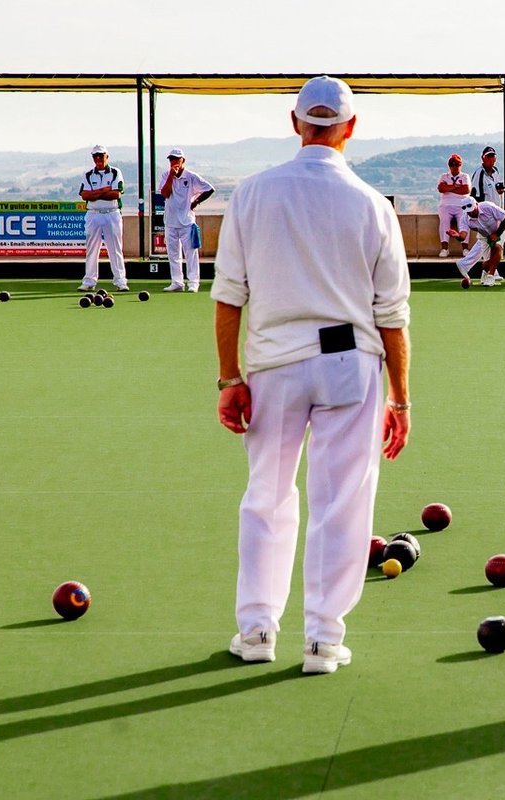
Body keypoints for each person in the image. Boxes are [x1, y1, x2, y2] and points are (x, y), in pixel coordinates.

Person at [212, 76, 412, 675]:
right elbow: (393, 315)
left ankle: (256, 630)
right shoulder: (373, 204)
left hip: (273, 363)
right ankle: (323, 639)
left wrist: (229, 378)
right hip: (351, 363)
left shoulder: (252, 193)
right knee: (342, 500)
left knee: (266, 496)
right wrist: (401, 400)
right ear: (350, 127)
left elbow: (228, 295)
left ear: (296, 122)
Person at [158, 148, 215, 293]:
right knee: (173, 254)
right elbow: (165, 193)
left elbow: (209, 189)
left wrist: (196, 202)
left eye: (176, 159)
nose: (174, 162)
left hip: (186, 222)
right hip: (170, 221)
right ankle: (177, 282)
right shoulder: (165, 175)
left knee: (191, 253)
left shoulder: (191, 176)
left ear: (183, 160)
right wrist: (171, 176)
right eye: (171, 159)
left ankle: (193, 282)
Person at [78, 145, 128, 292]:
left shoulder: (115, 172)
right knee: (92, 249)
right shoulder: (88, 175)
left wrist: (95, 194)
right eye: (95, 156)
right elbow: (85, 195)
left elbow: (116, 194)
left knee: (115, 249)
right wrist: (103, 190)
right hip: (93, 214)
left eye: (101, 155)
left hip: (112, 213)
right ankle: (89, 281)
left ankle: (120, 281)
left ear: (107, 156)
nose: (98, 158)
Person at [452, 196, 505, 286]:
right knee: (488, 263)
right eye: (468, 212)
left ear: (476, 204)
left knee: (497, 247)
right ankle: (485, 274)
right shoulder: (464, 218)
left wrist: (497, 234)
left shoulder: (488, 206)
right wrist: (457, 236)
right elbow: (463, 236)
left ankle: (490, 276)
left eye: (472, 210)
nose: (470, 213)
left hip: (500, 229)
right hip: (484, 235)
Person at [436, 153, 471, 258]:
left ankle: (465, 248)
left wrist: (449, 187)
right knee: (444, 222)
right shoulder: (444, 176)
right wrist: (456, 186)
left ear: (461, 165)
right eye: (452, 164)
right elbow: (441, 189)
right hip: (446, 205)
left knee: (464, 222)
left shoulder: (465, 176)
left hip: (461, 205)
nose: (454, 167)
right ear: (449, 166)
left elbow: (466, 190)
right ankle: (444, 248)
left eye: (457, 164)